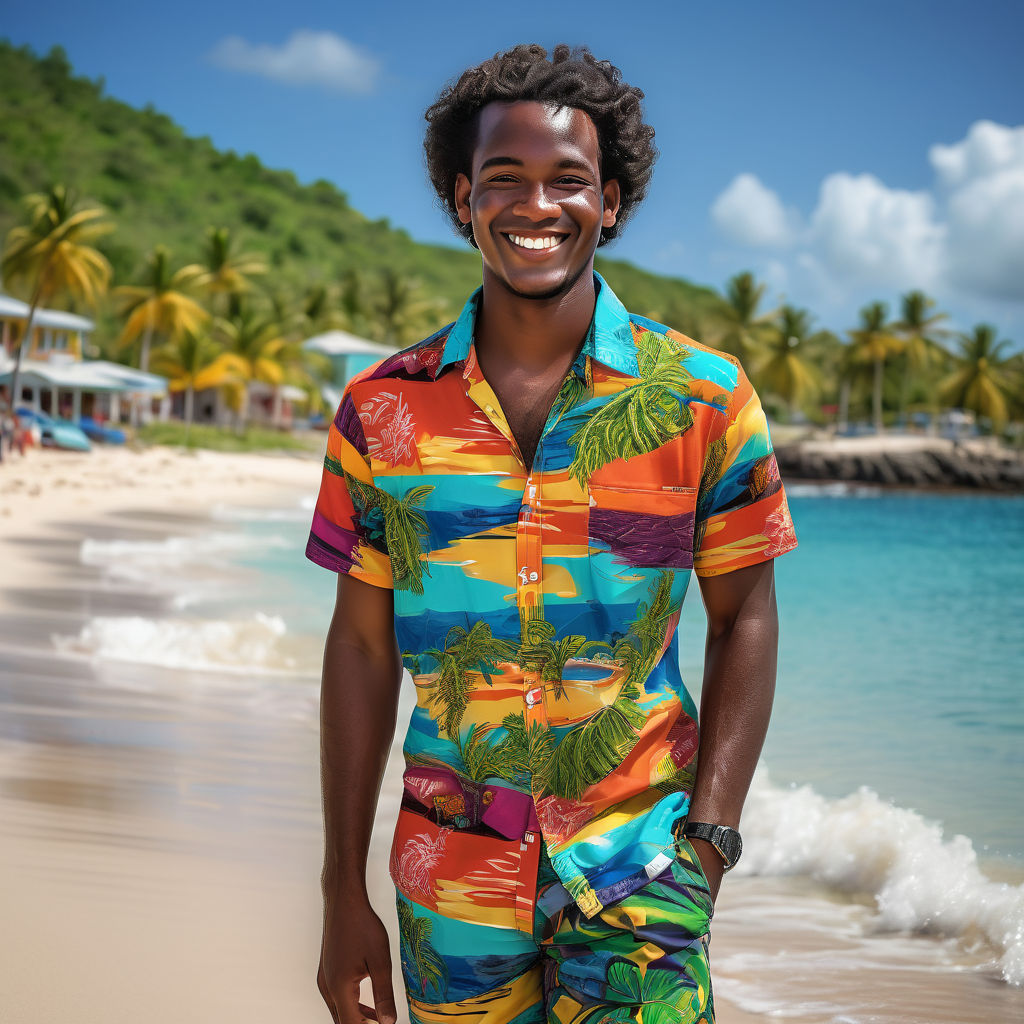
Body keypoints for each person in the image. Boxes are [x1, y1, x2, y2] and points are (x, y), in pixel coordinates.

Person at [307, 43, 799, 1024]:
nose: (537, 205)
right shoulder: (381, 409)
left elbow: (744, 616)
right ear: (461, 197)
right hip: (448, 882)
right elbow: (360, 645)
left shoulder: (703, 396)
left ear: (609, 201)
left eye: (567, 180)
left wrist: (709, 839)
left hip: (641, 872)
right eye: (505, 178)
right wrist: (338, 889)